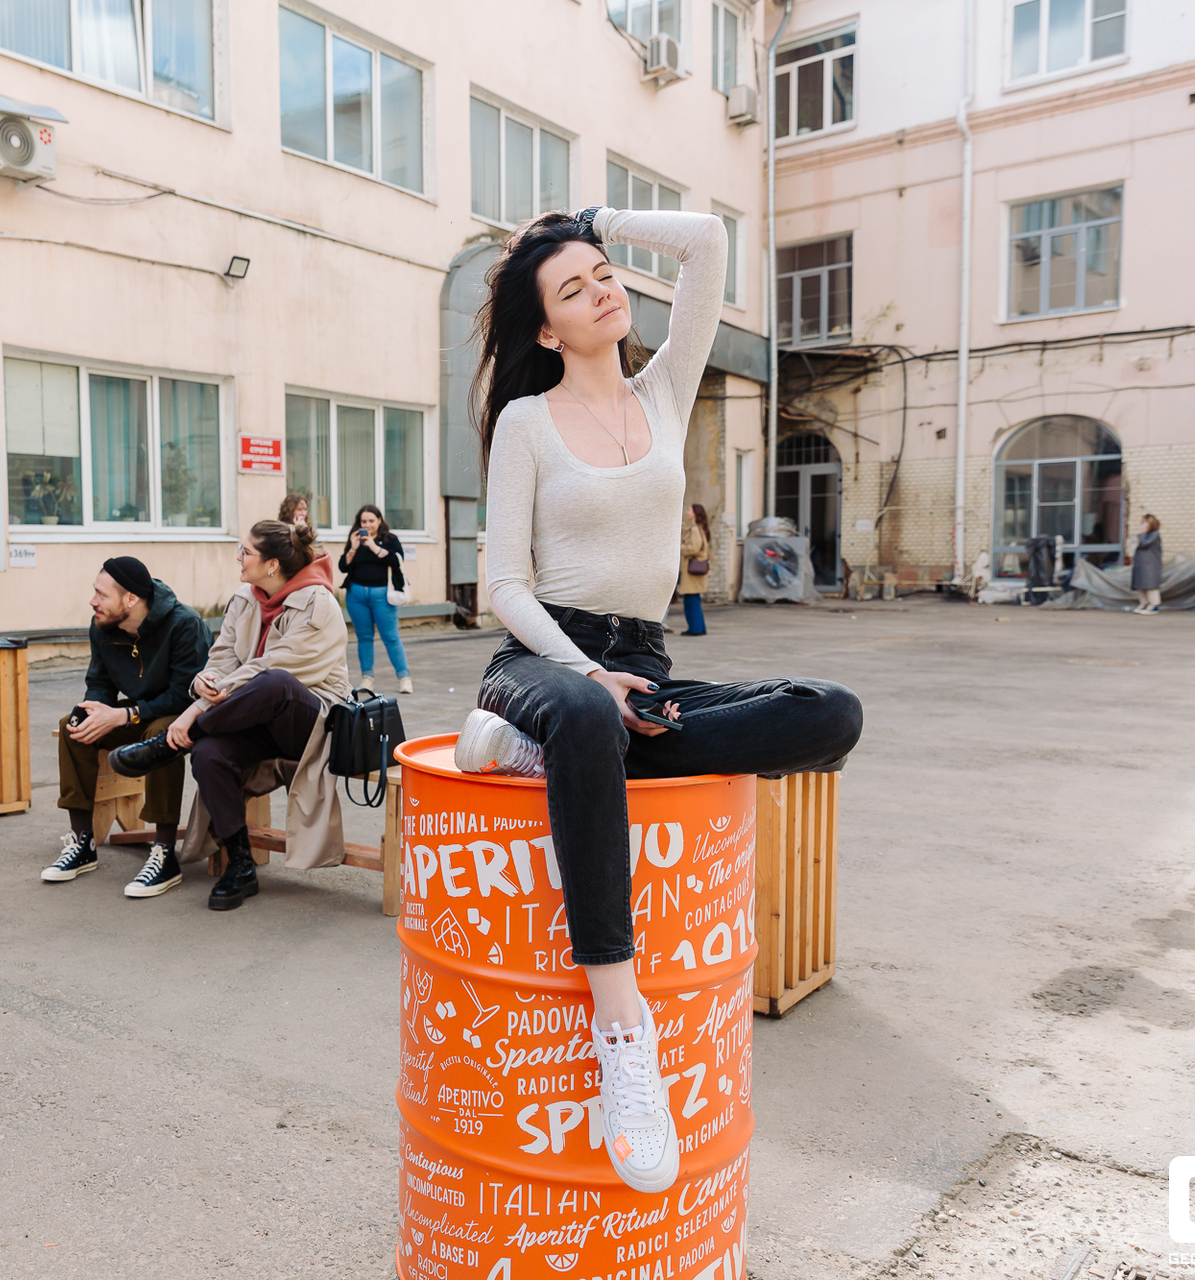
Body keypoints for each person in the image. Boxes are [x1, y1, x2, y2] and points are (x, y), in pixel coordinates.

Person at [454, 206, 863, 1195]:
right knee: (589, 711)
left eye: (604, 272)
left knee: (829, 709)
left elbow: (708, 242)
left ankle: (553, 752)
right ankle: (622, 1024)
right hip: (542, 656)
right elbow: (502, 585)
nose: (603, 290)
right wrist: (584, 673)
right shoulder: (526, 422)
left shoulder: (666, 390)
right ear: (547, 330)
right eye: (575, 287)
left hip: (646, 658)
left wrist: (591, 220)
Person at [108, 520, 350, 911]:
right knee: (208, 755)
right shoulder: (244, 597)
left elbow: (275, 666)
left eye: (246, 552)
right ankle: (240, 864)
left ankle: (172, 744)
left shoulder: (318, 604)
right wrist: (205, 682)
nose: (239, 557)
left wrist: (193, 712)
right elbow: (222, 658)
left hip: (308, 721)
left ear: (272, 565)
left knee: (276, 682)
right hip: (248, 713)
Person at [43, 556, 213, 897]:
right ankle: (82, 842)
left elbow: (185, 696)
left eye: (101, 594)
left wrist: (124, 715)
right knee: (73, 725)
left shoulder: (184, 624)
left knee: (160, 735)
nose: (93, 601)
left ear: (131, 599)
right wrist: (95, 709)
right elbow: (99, 682)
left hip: (187, 716)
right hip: (139, 712)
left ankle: (164, 851)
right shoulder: (102, 624)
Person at [340, 504, 412, 694]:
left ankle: (404, 678)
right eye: (364, 521)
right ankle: (367, 678)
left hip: (382, 596)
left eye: (371, 521)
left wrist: (373, 546)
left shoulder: (389, 539)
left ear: (379, 520)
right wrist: (353, 548)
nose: (367, 525)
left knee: (391, 637)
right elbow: (343, 567)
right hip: (356, 596)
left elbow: (396, 561)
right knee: (364, 637)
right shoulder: (355, 539)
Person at [678, 504, 711, 636]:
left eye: (689, 510)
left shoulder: (695, 530)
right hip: (694, 572)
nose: (687, 512)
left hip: (691, 572)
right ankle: (699, 627)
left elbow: (693, 549)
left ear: (695, 513)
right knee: (693, 599)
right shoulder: (697, 528)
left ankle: (695, 628)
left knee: (691, 601)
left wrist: (679, 547)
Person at [279, 492, 330, 557]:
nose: (303, 513)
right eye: (299, 510)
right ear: (290, 512)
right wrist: (298, 530)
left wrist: (305, 531)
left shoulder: (307, 528)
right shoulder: (283, 531)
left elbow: (317, 550)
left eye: (305, 509)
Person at [1130, 513, 1163, 613]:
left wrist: (1141, 535)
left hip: (1150, 564)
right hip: (1141, 564)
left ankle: (1154, 605)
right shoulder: (1143, 536)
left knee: (1150, 586)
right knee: (1140, 586)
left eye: (1144, 523)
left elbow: (1144, 543)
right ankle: (1144, 603)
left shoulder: (1154, 534)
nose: (1142, 525)